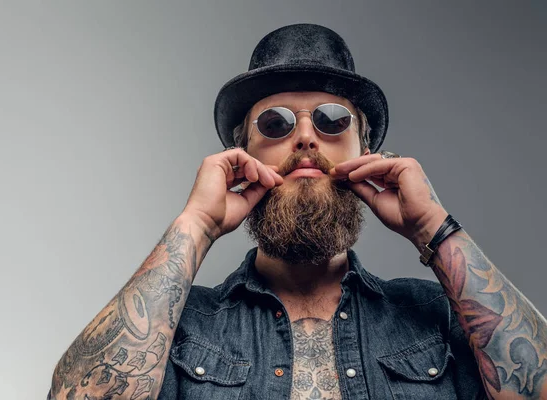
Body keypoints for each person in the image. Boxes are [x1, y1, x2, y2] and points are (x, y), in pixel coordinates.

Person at [48, 24, 546, 400]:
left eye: (332, 120)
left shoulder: (438, 315)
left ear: (367, 154)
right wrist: (195, 227)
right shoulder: (181, 327)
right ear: (242, 159)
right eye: (276, 121)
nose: (306, 136)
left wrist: (435, 229)